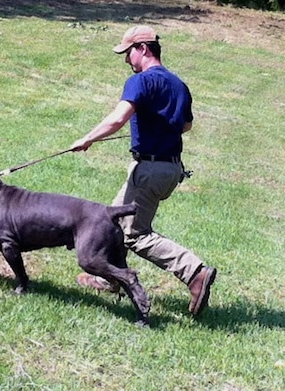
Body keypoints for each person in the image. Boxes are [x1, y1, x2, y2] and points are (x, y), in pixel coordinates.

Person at [70, 25, 217, 316]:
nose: (126, 60)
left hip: (149, 170)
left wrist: (87, 139)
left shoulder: (140, 81)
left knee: (134, 234)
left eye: (128, 53)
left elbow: (118, 118)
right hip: (171, 170)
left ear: (143, 49)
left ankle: (194, 271)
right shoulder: (178, 85)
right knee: (112, 219)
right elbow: (185, 125)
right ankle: (109, 278)